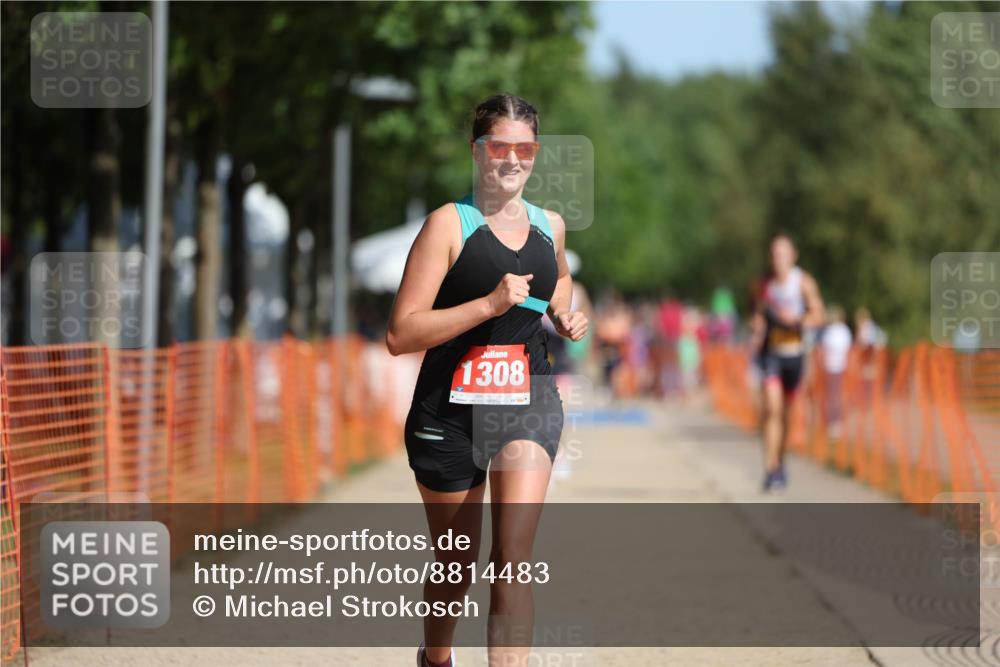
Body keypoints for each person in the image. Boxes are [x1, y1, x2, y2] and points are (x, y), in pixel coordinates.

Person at [386, 94, 588, 667]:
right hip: (448, 413)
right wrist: (488, 303)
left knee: (513, 555)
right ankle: (436, 657)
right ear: (478, 151)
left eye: (524, 148)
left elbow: (561, 276)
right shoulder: (447, 226)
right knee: (456, 562)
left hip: (528, 400)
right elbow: (400, 334)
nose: (512, 160)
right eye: (500, 146)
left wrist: (563, 314)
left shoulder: (551, 225)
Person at [750, 235, 825, 491]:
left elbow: (818, 315)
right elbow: (759, 314)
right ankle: (770, 468)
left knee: (787, 415)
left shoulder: (803, 282)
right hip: (772, 354)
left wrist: (796, 320)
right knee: (771, 408)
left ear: (793, 256)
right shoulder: (765, 285)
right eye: (773, 254)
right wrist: (758, 328)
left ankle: (780, 462)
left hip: (795, 355)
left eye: (782, 254)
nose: (777, 259)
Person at [820, 305, 852, 440]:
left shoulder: (840, 331)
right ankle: (832, 421)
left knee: (835, 395)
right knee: (832, 395)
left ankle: (835, 422)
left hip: (837, 367)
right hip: (832, 366)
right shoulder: (834, 330)